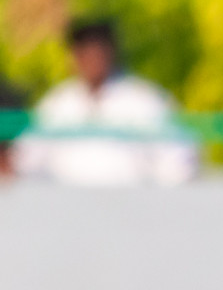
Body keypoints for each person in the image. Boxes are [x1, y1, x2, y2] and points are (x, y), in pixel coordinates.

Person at [12, 18, 198, 186]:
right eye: (84, 49)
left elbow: (179, 160)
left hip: (133, 211)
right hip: (67, 212)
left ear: (111, 51)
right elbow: (26, 160)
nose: (92, 57)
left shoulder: (145, 100)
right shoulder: (57, 104)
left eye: (98, 49)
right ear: (74, 55)